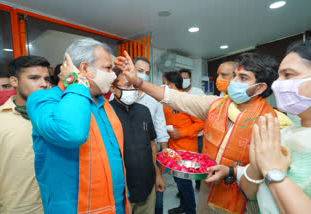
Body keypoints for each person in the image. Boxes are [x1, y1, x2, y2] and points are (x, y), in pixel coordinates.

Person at [115, 51, 292, 214]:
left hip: (244, 202)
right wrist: (138, 82)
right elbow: (174, 98)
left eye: (243, 78)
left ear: (260, 88)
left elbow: (271, 173)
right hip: (208, 193)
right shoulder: (215, 105)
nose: (234, 82)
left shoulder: (273, 124)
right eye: (235, 75)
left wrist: (232, 172)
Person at [26, 38, 130, 214]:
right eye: (107, 68)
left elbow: (116, 157)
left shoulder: (103, 104)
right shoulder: (44, 100)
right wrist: (77, 83)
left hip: (116, 204)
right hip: (73, 208)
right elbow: (71, 134)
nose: (113, 75)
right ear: (84, 68)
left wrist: (124, 201)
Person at [239, 40, 311, 214]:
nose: (277, 84)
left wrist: (273, 171)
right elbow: (250, 192)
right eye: (279, 76)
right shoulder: (282, 134)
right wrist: (257, 166)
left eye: (288, 75)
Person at [0, 55, 51, 214]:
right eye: (34, 78)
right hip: (19, 209)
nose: (43, 84)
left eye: (46, 78)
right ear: (14, 82)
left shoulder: (57, 116)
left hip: (59, 205)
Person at [110, 67, 165, 214]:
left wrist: (158, 175)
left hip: (148, 183)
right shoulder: (106, 113)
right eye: (127, 85)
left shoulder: (143, 111)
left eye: (134, 85)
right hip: (121, 190)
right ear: (113, 89)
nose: (132, 89)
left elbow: (152, 145)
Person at [162, 71, 205, 214]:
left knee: (185, 183)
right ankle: (183, 206)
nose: (162, 86)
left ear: (172, 85)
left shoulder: (186, 100)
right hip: (172, 150)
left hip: (187, 151)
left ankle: (191, 210)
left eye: (164, 83)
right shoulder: (166, 102)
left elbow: (200, 124)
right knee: (177, 181)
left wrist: (181, 133)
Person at [132, 56, 169, 214]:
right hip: (128, 157)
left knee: (155, 202)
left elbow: (161, 129)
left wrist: (164, 158)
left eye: (147, 72)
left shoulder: (153, 96)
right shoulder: (118, 94)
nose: (144, 75)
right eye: (140, 71)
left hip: (151, 152)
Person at [180, 69, 205, 190]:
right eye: (182, 78)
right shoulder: (178, 94)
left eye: (186, 78)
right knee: (184, 166)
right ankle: (185, 188)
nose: (184, 80)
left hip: (198, 135)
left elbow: (203, 112)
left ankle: (199, 184)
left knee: (197, 162)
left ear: (190, 79)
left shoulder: (197, 92)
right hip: (183, 137)